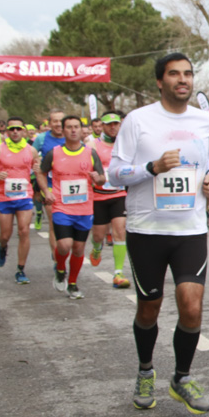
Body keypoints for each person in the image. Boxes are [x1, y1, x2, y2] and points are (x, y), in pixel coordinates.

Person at [108, 52, 209, 414]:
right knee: (149, 307)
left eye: (188, 73)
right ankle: (145, 370)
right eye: (174, 74)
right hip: (147, 229)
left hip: (190, 229)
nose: (182, 79)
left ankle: (181, 378)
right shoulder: (138, 120)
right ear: (160, 81)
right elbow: (114, 174)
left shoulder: (204, 121)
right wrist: (151, 167)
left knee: (191, 307)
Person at [39, 116, 105, 299]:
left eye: (76, 127)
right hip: (62, 207)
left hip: (84, 209)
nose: (73, 130)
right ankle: (60, 269)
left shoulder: (91, 153)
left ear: (81, 129)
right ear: (63, 130)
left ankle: (73, 284)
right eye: (69, 127)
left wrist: (97, 178)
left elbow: (102, 178)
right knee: (64, 245)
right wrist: (46, 191)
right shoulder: (54, 153)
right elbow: (41, 173)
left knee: (78, 249)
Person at [0, 117, 37, 284]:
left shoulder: (31, 150)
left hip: (24, 196)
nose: (15, 132)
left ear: (23, 131)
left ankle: (20, 269)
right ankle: (3, 247)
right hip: (5, 196)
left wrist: (39, 174)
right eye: (12, 129)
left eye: (18, 129)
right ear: (6, 132)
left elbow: (38, 169)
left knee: (24, 231)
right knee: (5, 235)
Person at [86, 111, 132, 289]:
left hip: (119, 194)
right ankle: (97, 247)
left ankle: (118, 272)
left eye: (116, 124)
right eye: (109, 124)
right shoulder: (92, 145)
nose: (113, 127)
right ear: (102, 126)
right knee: (98, 235)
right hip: (98, 196)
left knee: (120, 231)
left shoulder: (125, 145)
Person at [33, 109, 67, 254]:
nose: (58, 124)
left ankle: (65, 251)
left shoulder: (71, 137)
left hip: (70, 187)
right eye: (55, 121)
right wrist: (35, 163)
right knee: (55, 223)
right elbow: (30, 155)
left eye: (61, 121)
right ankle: (56, 258)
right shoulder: (41, 139)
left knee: (70, 225)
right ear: (49, 123)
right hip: (49, 185)